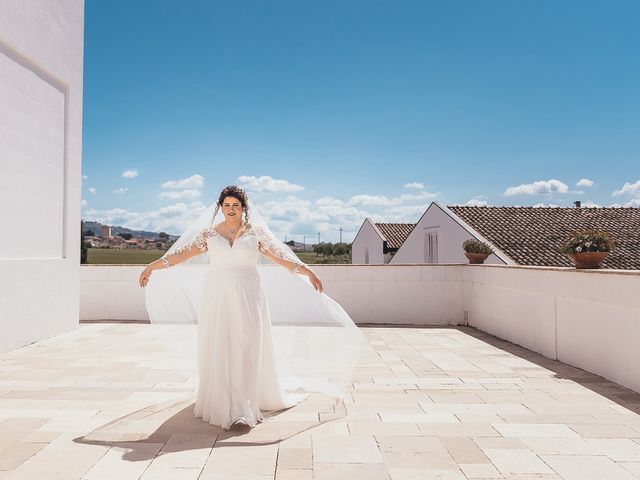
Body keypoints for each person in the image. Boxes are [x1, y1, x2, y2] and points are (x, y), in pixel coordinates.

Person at [138, 185, 360, 430]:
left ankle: (243, 407)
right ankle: (223, 402)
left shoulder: (255, 233)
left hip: (248, 295)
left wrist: (307, 271)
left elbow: (281, 257)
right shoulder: (209, 235)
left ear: (244, 208)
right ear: (220, 208)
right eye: (226, 205)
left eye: (235, 205)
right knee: (220, 344)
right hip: (217, 296)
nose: (231, 210)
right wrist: (152, 266)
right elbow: (181, 255)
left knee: (246, 346)